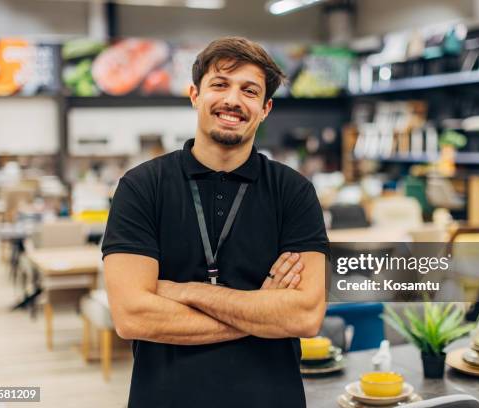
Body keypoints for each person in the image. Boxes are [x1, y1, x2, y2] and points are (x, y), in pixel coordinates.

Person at [102, 36, 329, 408]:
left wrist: (184, 291)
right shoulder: (141, 187)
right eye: (220, 85)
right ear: (195, 95)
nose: (233, 100)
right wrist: (261, 309)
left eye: (249, 91)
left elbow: (304, 315)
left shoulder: (294, 192)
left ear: (265, 107)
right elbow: (132, 316)